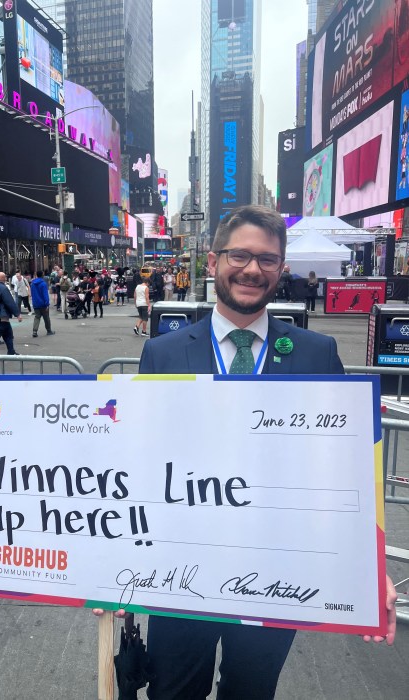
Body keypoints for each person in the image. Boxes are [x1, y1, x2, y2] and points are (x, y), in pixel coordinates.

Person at [131, 205, 397, 699]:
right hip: (180, 570)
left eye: (268, 260)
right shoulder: (162, 354)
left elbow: (342, 470)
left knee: (251, 691)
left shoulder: (317, 354)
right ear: (213, 262)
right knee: (171, 691)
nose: (253, 269)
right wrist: (99, 564)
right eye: (241, 255)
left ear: (282, 269)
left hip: (277, 572)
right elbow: (140, 462)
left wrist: (369, 567)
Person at [30, 270, 55, 338]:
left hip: (36, 303)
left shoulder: (32, 283)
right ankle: (48, 330)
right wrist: (47, 304)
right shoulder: (43, 284)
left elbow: (32, 294)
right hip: (43, 304)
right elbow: (45, 295)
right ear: (42, 275)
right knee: (46, 317)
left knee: (37, 317)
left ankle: (34, 331)